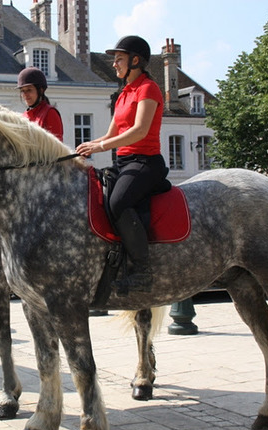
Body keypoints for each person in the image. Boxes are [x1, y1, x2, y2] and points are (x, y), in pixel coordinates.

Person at [76, 35, 168, 294]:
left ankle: (143, 270)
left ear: (135, 60)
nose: (114, 64)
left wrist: (100, 147)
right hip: (125, 162)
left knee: (118, 202)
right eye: (114, 60)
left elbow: (139, 131)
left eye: (119, 59)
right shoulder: (123, 94)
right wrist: (86, 147)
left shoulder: (148, 88)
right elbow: (109, 135)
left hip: (146, 162)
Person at [17, 67, 63, 141]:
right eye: (22, 91)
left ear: (40, 90)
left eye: (29, 90)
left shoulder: (50, 113)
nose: (25, 94)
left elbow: (56, 147)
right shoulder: (23, 117)